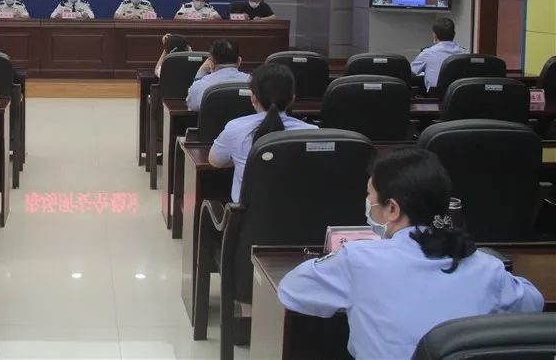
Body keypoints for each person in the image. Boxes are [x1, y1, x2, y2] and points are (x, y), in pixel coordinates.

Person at [278, 148, 543, 360]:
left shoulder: (358, 260)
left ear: (393, 209)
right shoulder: (486, 266)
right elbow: (533, 303)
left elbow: (291, 290)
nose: (368, 204)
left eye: (370, 196)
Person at [208, 63, 316, 201]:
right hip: (299, 214)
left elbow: (215, 161)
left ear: (253, 97)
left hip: (247, 215)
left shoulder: (235, 128)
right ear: (292, 99)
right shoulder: (312, 134)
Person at [186, 39, 251, 110]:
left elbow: (192, 106)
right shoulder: (252, 82)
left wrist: (202, 70)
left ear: (211, 64)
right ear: (239, 61)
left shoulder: (200, 85)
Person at [410, 17, 467, 92]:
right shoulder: (465, 54)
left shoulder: (427, 53)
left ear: (435, 35)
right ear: (454, 34)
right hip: (459, 96)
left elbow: (411, 72)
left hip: (435, 96)